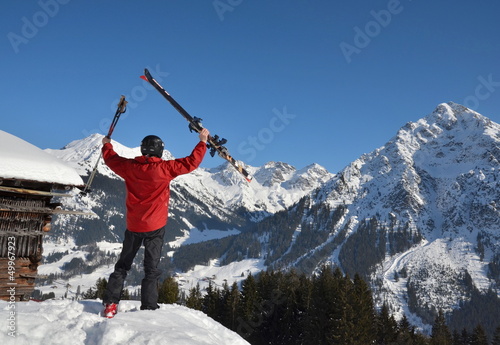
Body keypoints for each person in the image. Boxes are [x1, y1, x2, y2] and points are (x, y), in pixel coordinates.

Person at [101, 128, 209, 318]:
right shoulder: (165, 169)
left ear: (142, 150)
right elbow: (191, 162)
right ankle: (149, 308)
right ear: (160, 151)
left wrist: (106, 145)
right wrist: (202, 142)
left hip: (133, 226)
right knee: (151, 269)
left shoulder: (129, 167)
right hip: (155, 228)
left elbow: (111, 159)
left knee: (122, 266)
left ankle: (111, 304)